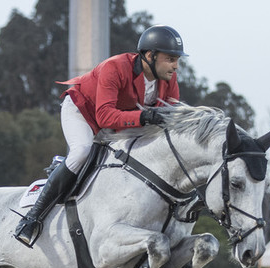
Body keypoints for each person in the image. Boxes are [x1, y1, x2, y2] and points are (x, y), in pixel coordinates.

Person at [14, 25, 186, 247]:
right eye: (171, 59)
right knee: (82, 151)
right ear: (150, 55)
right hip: (82, 111)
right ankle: (32, 218)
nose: (176, 66)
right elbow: (104, 116)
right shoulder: (115, 67)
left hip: (120, 120)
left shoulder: (169, 80)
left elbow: (169, 119)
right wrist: (145, 117)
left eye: (177, 59)